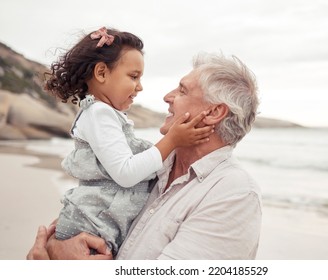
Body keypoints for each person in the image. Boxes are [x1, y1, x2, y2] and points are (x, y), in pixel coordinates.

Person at [27, 52, 262, 260]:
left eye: (182, 90)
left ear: (214, 112)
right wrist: (56, 247)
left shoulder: (234, 193)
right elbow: (87, 218)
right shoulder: (148, 165)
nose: (167, 97)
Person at [41, 27, 214, 257]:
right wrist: (171, 140)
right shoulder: (99, 114)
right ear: (101, 73)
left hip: (100, 222)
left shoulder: (104, 114)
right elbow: (125, 173)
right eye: (134, 76)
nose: (140, 86)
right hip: (93, 224)